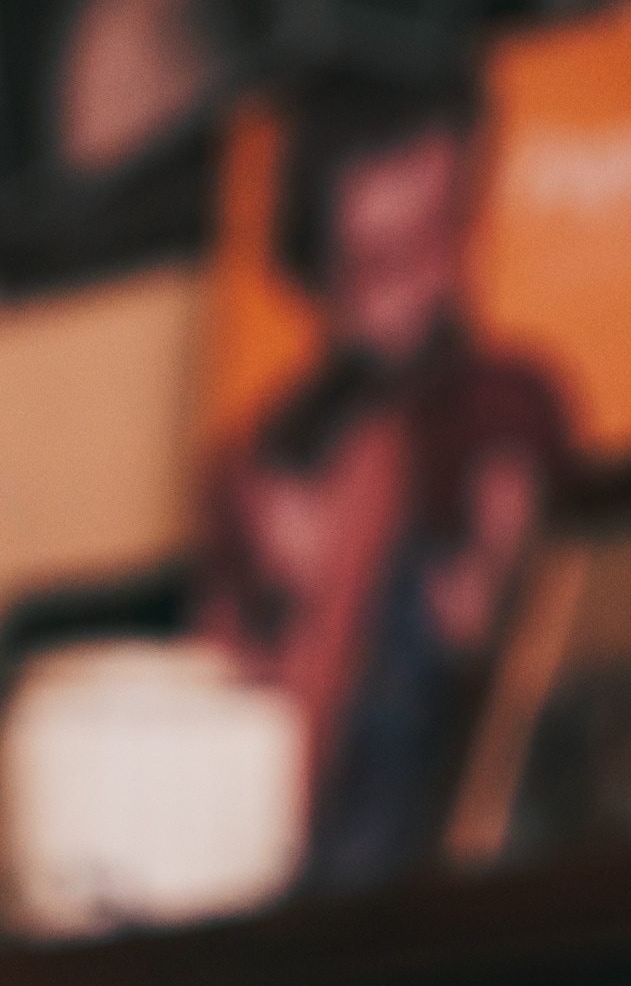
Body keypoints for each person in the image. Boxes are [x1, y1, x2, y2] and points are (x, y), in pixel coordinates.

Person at [203, 66, 572, 891]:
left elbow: (536, 632)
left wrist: (489, 591)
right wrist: (283, 600)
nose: (419, 290)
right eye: (374, 266)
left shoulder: (503, 407)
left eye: (438, 242)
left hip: (448, 850)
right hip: (294, 861)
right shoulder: (264, 458)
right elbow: (215, 686)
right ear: (319, 267)